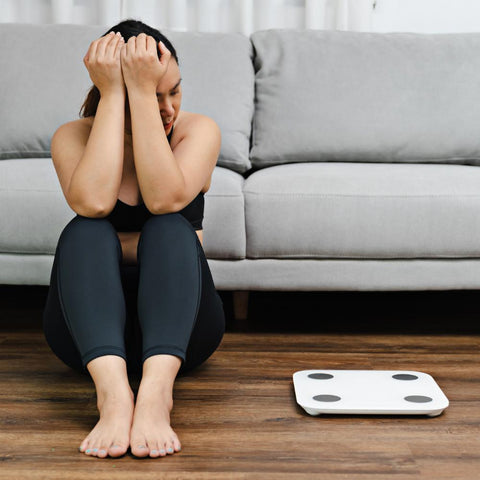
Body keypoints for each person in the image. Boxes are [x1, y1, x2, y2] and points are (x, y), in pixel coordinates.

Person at [42, 19, 225, 459]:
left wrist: (142, 95)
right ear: (112, 93)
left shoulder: (196, 132)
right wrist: (116, 94)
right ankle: (114, 397)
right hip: (87, 337)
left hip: (182, 330)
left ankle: (157, 395)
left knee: (169, 229)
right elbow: (93, 203)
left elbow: (165, 202)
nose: (168, 108)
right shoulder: (73, 136)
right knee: (85, 231)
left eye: (173, 91)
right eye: (152, 92)